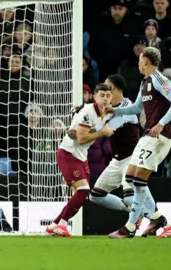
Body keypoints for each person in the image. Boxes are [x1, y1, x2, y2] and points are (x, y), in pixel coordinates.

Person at [107, 47, 171, 238]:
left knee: (139, 179)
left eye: (140, 60)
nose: (138, 63)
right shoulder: (145, 82)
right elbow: (135, 108)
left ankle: (130, 227)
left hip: (159, 136)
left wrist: (161, 123)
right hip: (147, 135)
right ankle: (158, 220)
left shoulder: (159, 79)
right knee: (132, 178)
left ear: (146, 62)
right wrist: (114, 111)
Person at [46, 83, 115, 237]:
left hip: (81, 156)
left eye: (107, 96)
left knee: (83, 193)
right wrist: (102, 132)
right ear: (94, 96)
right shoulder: (88, 112)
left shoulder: (108, 113)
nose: (105, 99)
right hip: (68, 153)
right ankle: (63, 224)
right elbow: (82, 138)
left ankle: (54, 225)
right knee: (83, 190)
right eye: (101, 95)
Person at [87, 75, 142, 215]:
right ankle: (134, 212)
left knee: (130, 197)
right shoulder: (110, 108)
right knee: (95, 196)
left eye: (106, 87)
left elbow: (108, 129)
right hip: (117, 161)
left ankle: (160, 222)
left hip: (132, 159)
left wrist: (83, 124)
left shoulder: (128, 108)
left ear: (112, 88)